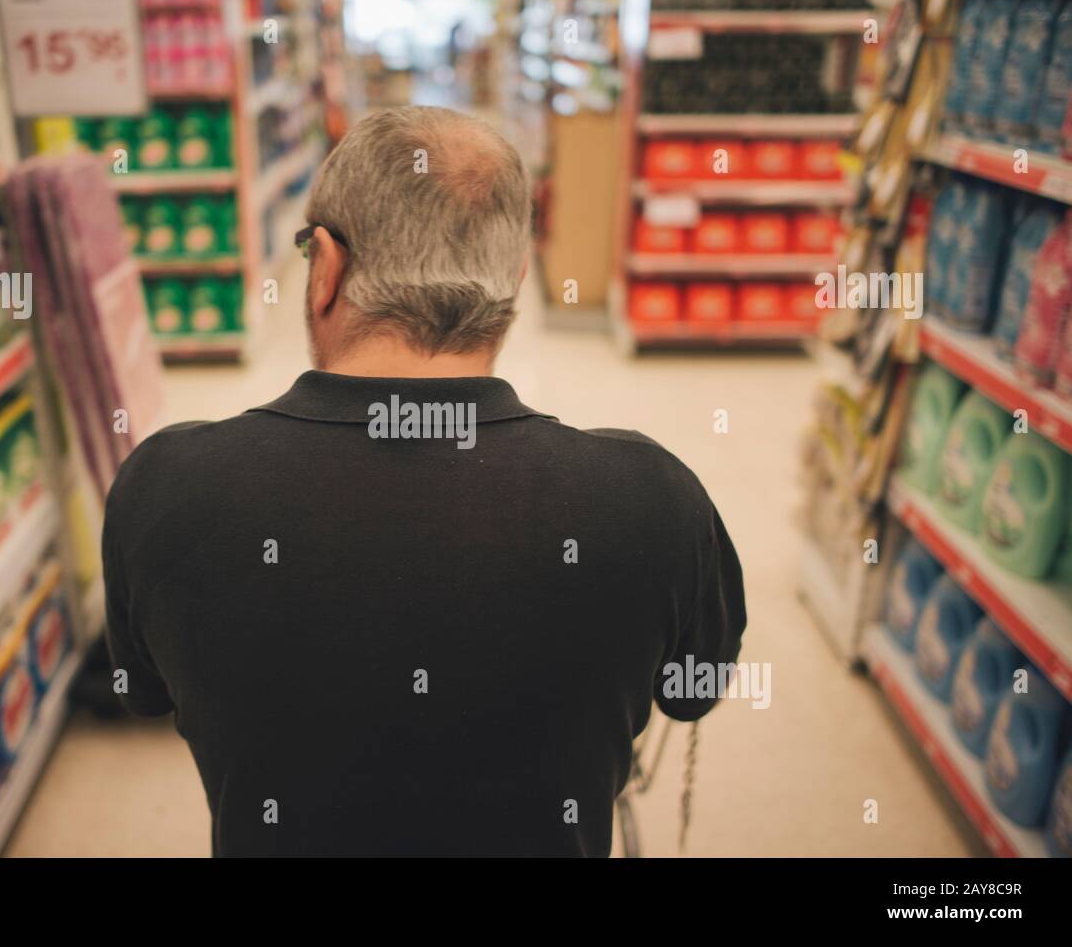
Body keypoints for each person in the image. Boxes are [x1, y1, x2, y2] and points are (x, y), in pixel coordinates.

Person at [102, 106, 747, 856]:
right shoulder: (653, 501)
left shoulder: (165, 489)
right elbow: (694, 689)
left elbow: (142, 694)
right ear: (514, 280)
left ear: (327, 270)